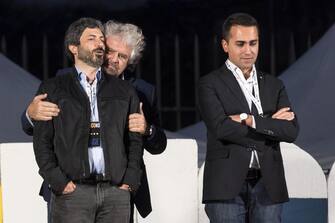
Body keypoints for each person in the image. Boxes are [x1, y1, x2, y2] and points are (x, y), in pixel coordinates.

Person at [21, 20, 167, 221]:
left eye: (122, 56)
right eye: (110, 51)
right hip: (69, 189)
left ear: (130, 61)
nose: (114, 59)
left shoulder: (141, 91)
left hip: (118, 191)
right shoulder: (62, 81)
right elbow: (36, 131)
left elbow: (159, 144)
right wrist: (30, 113)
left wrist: (147, 130)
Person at [198, 13, 299, 223]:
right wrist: (272, 126)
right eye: (240, 44)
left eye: (253, 43)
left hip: (268, 183)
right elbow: (222, 128)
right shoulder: (209, 84)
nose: (248, 50)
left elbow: (291, 131)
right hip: (226, 185)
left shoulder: (274, 84)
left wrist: (250, 120)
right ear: (225, 45)